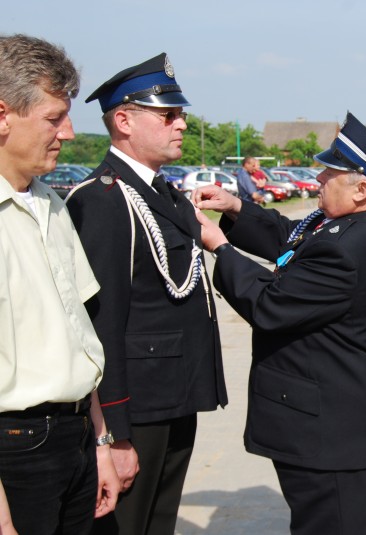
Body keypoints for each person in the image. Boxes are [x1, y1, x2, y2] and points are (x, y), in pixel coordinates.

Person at [191, 112, 366, 535]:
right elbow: (294, 238)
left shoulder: (347, 249)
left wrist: (220, 248)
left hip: (330, 431)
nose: (317, 179)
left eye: (330, 173)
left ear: (361, 189)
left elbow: (270, 305)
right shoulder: (354, 226)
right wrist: (236, 206)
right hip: (336, 420)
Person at [66, 53, 228, 535]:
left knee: (159, 523)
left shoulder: (166, 195)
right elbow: (100, 321)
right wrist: (113, 431)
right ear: (123, 121)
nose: (181, 124)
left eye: (179, 114)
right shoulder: (103, 199)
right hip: (136, 405)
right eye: (168, 115)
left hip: (174, 394)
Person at [0, 33, 120, 534]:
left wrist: (100, 444)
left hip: (74, 436)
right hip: (16, 449)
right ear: (3, 115)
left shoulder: (49, 201)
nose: (68, 133)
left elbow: (78, 334)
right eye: (53, 118)